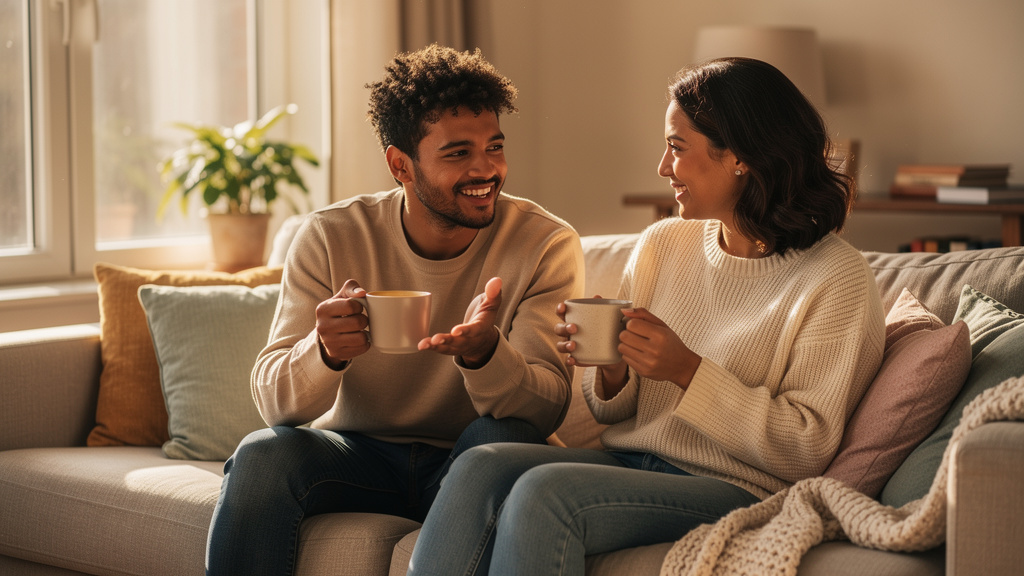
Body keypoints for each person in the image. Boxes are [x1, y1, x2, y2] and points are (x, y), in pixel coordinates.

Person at [406, 57, 885, 576]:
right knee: (482, 464)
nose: (662, 167)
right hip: (631, 463)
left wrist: (686, 371)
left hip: (735, 487)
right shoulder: (663, 244)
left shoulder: (836, 278)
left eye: (677, 148)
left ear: (741, 156)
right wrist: (612, 368)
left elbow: (806, 449)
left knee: (547, 494)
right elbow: (614, 412)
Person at [205, 44, 584, 575]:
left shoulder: (545, 243)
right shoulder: (331, 236)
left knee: (504, 441)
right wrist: (325, 353)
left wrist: (485, 355)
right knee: (262, 454)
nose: (486, 169)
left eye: (494, 147)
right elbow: (275, 403)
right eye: (458, 153)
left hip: (468, 458)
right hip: (357, 456)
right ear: (400, 164)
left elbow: (548, 407)